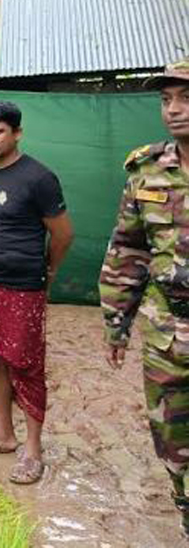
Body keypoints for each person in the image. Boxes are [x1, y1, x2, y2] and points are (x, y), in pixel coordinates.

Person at [100, 60, 189, 537]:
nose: (173, 110)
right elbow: (128, 250)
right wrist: (117, 325)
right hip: (167, 335)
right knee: (173, 440)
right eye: (165, 100)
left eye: (185, 98)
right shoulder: (147, 170)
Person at [0, 100, 74, 485]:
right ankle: (2, 434)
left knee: (26, 365)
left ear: (17, 133)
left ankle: (33, 449)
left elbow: (62, 234)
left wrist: (48, 270)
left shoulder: (39, 178)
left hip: (22, 287)